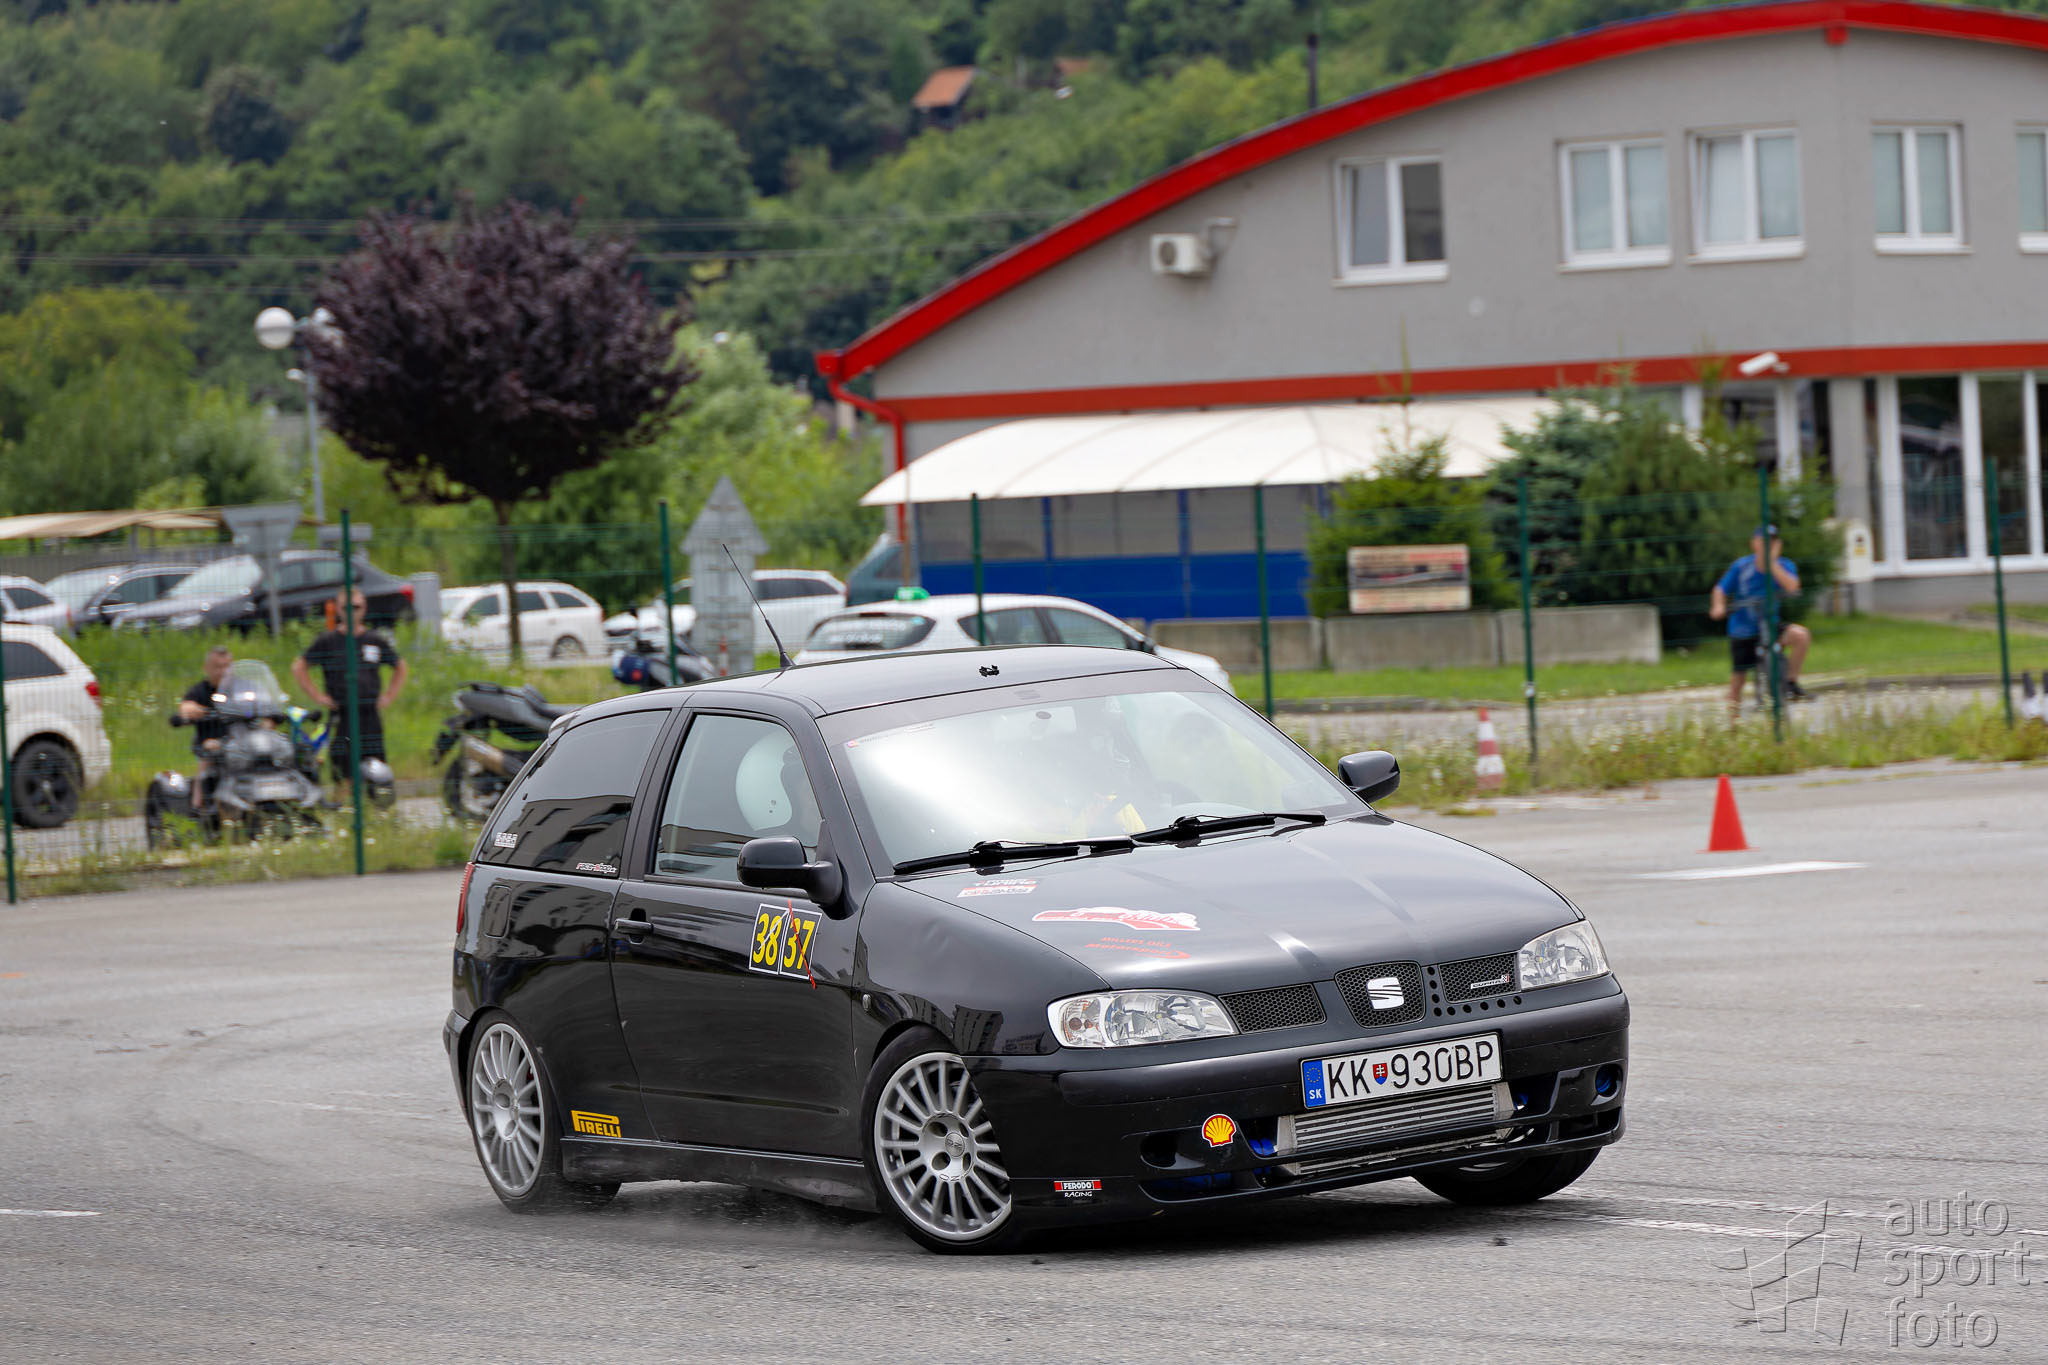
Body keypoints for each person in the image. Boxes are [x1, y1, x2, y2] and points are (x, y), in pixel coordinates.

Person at [292, 589, 409, 797]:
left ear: (364, 609)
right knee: (343, 770)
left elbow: (400, 666)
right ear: (338, 609)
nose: (351, 612)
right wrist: (318, 696)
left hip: (369, 714)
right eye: (346, 607)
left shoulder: (374, 640)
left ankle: (376, 807)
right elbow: (299, 667)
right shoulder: (328, 641)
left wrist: (389, 696)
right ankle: (343, 809)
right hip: (342, 714)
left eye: (356, 607)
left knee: (376, 767)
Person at [1709, 524, 1810, 711]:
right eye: (1763, 542)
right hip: (1743, 629)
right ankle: (1733, 723)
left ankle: (1790, 683)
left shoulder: (1784, 565)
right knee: (1737, 681)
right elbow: (1720, 589)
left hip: (1770, 624)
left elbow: (1792, 587)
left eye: (1772, 542)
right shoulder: (1741, 566)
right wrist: (1718, 606)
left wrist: (1772, 564)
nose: (1767, 546)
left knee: (1801, 636)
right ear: (1754, 544)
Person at [177, 644, 235, 811]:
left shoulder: (242, 687)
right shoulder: (200, 691)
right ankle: (198, 804)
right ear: (207, 668)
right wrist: (191, 710)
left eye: (227, 666)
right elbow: (185, 707)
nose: (223, 671)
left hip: (242, 742)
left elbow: (262, 702)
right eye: (218, 667)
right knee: (209, 753)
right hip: (212, 743)